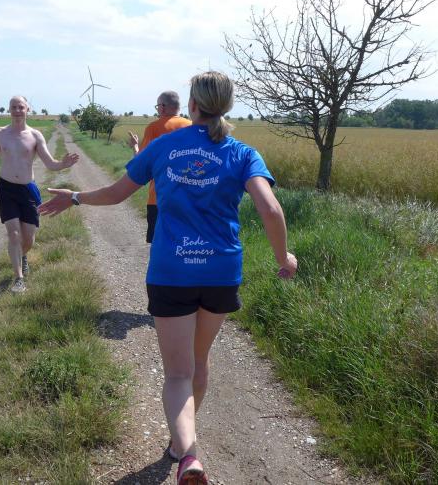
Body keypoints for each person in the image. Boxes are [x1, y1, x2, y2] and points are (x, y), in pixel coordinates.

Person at [39, 72, 297, 484]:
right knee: (199, 361)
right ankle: (180, 448)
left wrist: (74, 197)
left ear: (191, 105)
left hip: (172, 271)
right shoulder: (242, 153)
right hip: (220, 273)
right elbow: (270, 209)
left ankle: (187, 453)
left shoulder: (163, 145)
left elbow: (117, 193)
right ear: (227, 106)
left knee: (178, 373)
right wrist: (284, 257)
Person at [0, 95, 79, 293]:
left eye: (21, 107)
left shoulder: (35, 135)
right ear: (9, 110)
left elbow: (50, 164)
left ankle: (22, 256)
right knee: (14, 234)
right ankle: (19, 279)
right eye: (13, 107)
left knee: (28, 239)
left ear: (27, 109)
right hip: (6, 189)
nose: (17, 110)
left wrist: (63, 164)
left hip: (28, 190)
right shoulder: (0, 134)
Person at [127, 91, 192, 243]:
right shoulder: (193, 127)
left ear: (162, 107)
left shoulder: (154, 128)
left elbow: (140, 164)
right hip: (188, 200)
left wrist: (135, 146)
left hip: (159, 198)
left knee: (159, 244)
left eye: (157, 107)